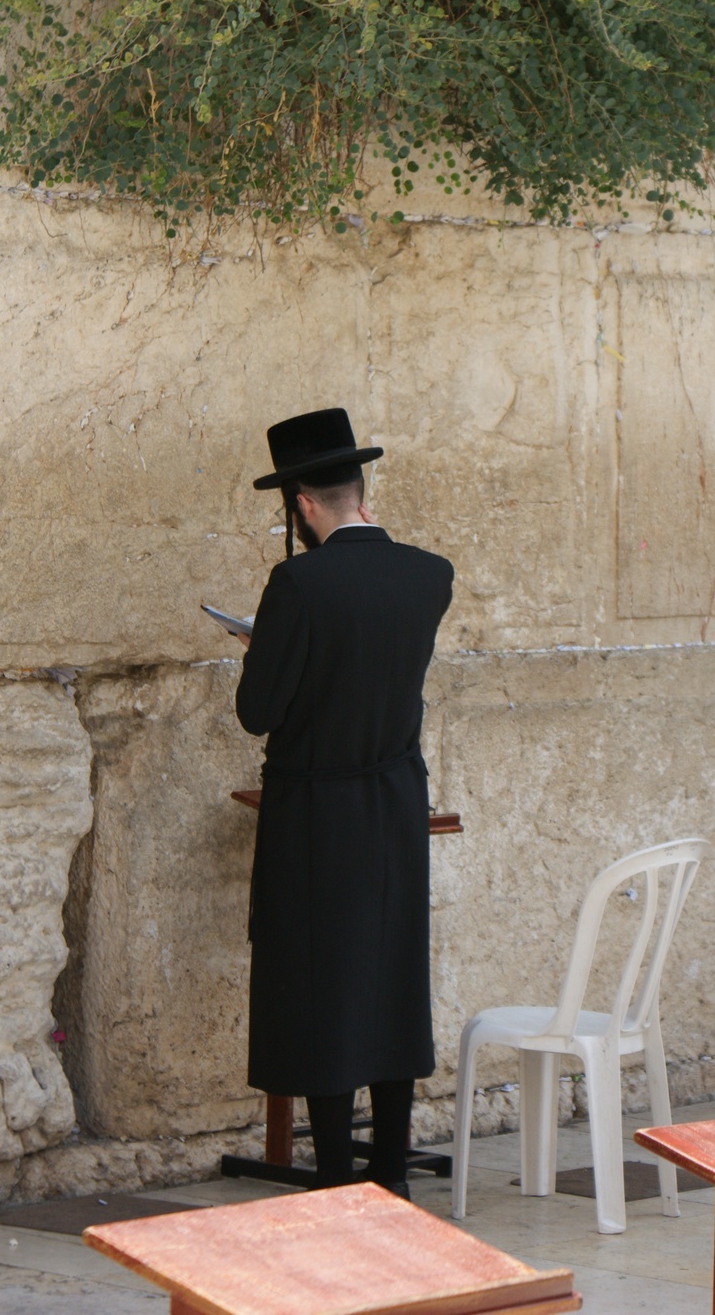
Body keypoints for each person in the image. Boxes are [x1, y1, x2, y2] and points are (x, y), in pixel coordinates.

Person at [235, 408, 454, 1195]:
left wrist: (266, 645)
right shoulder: (430, 574)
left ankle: (334, 1176)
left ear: (299, 502)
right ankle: (389, 1172)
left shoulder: (296, 583)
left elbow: (259, 711)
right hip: (396, 804)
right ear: (358, 487)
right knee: (390, 976)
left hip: (316, 813)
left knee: (318, 985)